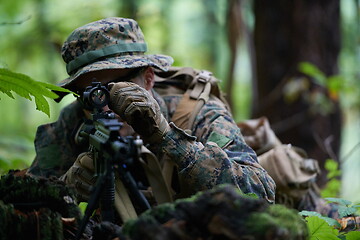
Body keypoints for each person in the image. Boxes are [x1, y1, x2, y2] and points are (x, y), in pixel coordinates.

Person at [26, 17, 275, 211]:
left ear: (148, 78)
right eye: (92, 94)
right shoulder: (74, 121)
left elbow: (260, 195)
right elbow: (25, 208)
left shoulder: (196, 112)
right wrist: (67, 189)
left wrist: (168, 139)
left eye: (117, 89)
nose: (105, 107)